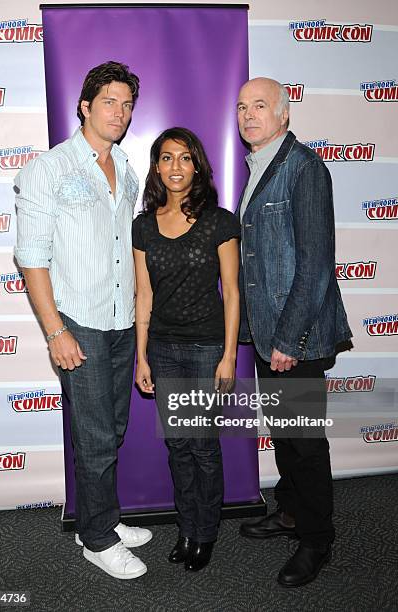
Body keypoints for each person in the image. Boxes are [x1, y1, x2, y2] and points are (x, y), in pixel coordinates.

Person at [14, 61, 152, 580]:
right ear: (85, 106)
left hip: (119, 324)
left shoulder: (128, 170)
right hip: (81, 326)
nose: (119, 112)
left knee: (111, 431)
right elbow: (31, 257)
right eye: (109, 102)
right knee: (95, 439)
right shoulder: (47, 169)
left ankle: (104, 519)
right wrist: (56, 331)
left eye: (127, 104)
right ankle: (96, 540)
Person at [236, 78, 352, 587]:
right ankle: (289, 512)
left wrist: (289, 339)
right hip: (269, 333)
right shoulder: (260, 166)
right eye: (241, 107)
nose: (248, 114)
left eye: (259, 105)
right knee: (284, 433)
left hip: (294, 337)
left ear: (284, 114)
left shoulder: (304, 168)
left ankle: (317, 539)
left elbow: (315, 266)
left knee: (304, 442)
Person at [133, 127, 240, 572]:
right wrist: (141, 355)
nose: (175, 166)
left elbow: (232, 292)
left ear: (197, 165)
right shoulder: (143, 225)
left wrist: (229, 354)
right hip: (163, 348)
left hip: (206, 347)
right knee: (178, 446)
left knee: (202, 445)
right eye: (166, 157)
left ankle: (206, 531)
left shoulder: (219, 220)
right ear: (156, 166)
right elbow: (143, 294)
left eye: (184, 157)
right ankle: (187, 526)